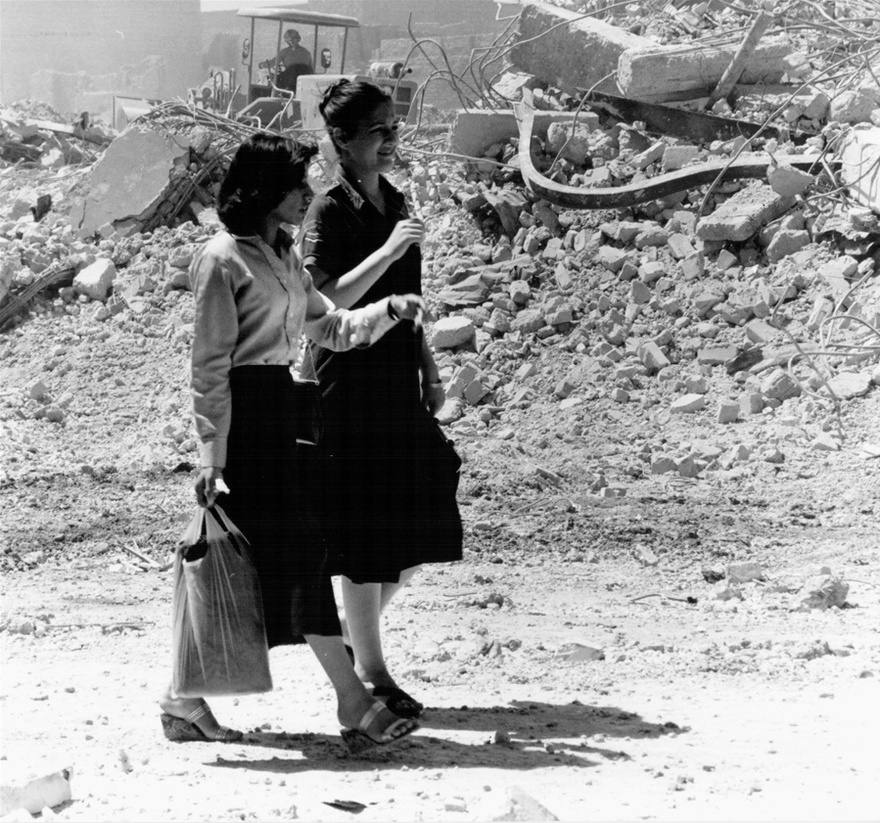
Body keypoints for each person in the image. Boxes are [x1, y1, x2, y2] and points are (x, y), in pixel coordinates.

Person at [158, 133, 424, 755]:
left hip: (282, 413)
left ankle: (180, 699)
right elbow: (210, 366)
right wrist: (210, 456)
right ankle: (354, 703)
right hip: (246, 426)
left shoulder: (282, 257)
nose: (309, 192)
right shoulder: (221, 259)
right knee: (298, 557)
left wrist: (388, 309)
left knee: (263, 565)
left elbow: (328, 326)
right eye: (297, 184)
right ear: (265, 193)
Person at [300, 79, 463, 721]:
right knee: (367, 531)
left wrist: (428, 368)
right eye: (379, 131)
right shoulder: (327, 211)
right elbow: (326, 302)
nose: (393, 140)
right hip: (348, 383)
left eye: (395, 127)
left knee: (427, 504)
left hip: (396, 378)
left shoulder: (393, 198)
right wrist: (389, 249)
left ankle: (350, 627)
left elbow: (410, 303)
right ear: (342, 139)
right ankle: (371, 669)